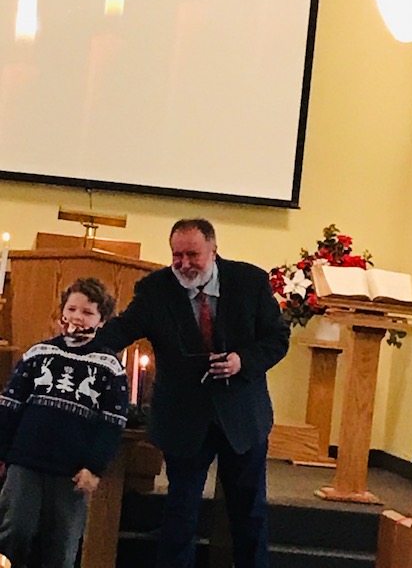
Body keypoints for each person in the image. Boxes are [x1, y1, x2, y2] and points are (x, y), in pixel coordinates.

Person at [96, 218, 290, 568]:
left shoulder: (250, 282)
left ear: (213, 251)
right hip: (183, 417)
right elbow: (122, 329)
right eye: (177, 255)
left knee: (249, 511)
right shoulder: (155, 289)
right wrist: (78, 344)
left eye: (193, 255)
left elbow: (277, 339)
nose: (184, 264)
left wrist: (242, 361)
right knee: (180, 512)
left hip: (241, 415)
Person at [0, 277, 129, 568]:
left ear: (102, 320)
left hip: (71, 470)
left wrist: (94, 466)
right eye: (71, 309)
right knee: (14, 530)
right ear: (62, 311)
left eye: (87, 312)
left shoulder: (109, 367)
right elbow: (9, 405)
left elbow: (112, 423)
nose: (77, 317)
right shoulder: (39, 353)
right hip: (26, 461)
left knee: (61, 543)